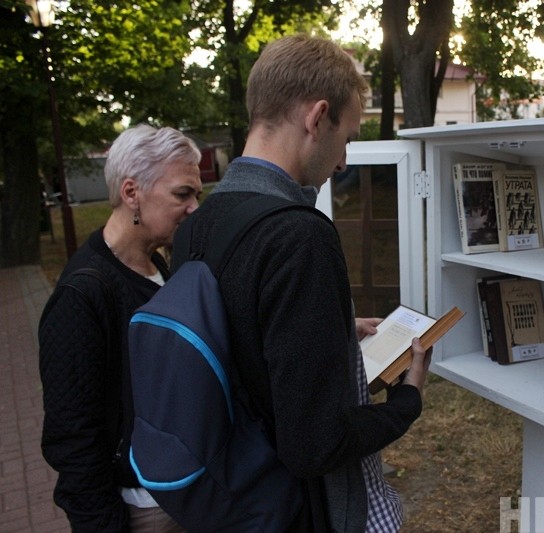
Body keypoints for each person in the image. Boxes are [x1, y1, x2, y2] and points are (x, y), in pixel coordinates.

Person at [180, 34, 431, 532]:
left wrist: (329, 332)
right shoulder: (299, 235)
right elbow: (315, 444)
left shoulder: (199, 221)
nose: (342, 163)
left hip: (234, 491)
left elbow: (245, 339)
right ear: (317, 118)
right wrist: (408, 401)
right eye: (347, 140)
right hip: (298, 510)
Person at [38, 124, 203, 531]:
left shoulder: (155, 262)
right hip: (143, 509)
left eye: (197, 194)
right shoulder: (83, 295)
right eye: (182, 194)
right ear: (132, 193)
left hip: (183, 492)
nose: (195, 206)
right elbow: (72, 436)